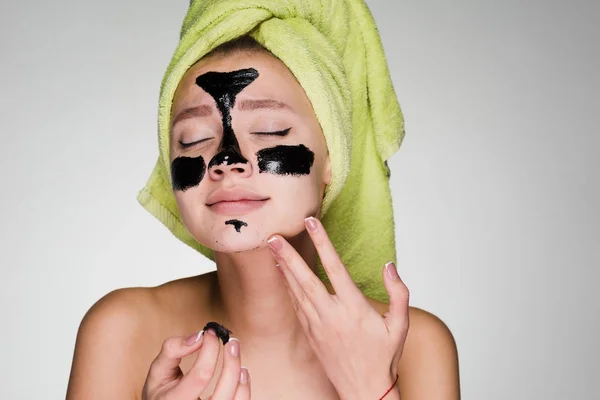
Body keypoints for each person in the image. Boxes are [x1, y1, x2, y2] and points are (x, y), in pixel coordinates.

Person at [66, 1, 460, 399]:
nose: (226, 161)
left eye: (271, 131)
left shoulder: (416, 345)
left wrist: (373, 387)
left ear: (332, 160)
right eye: (193, 139)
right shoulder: (122, 330)